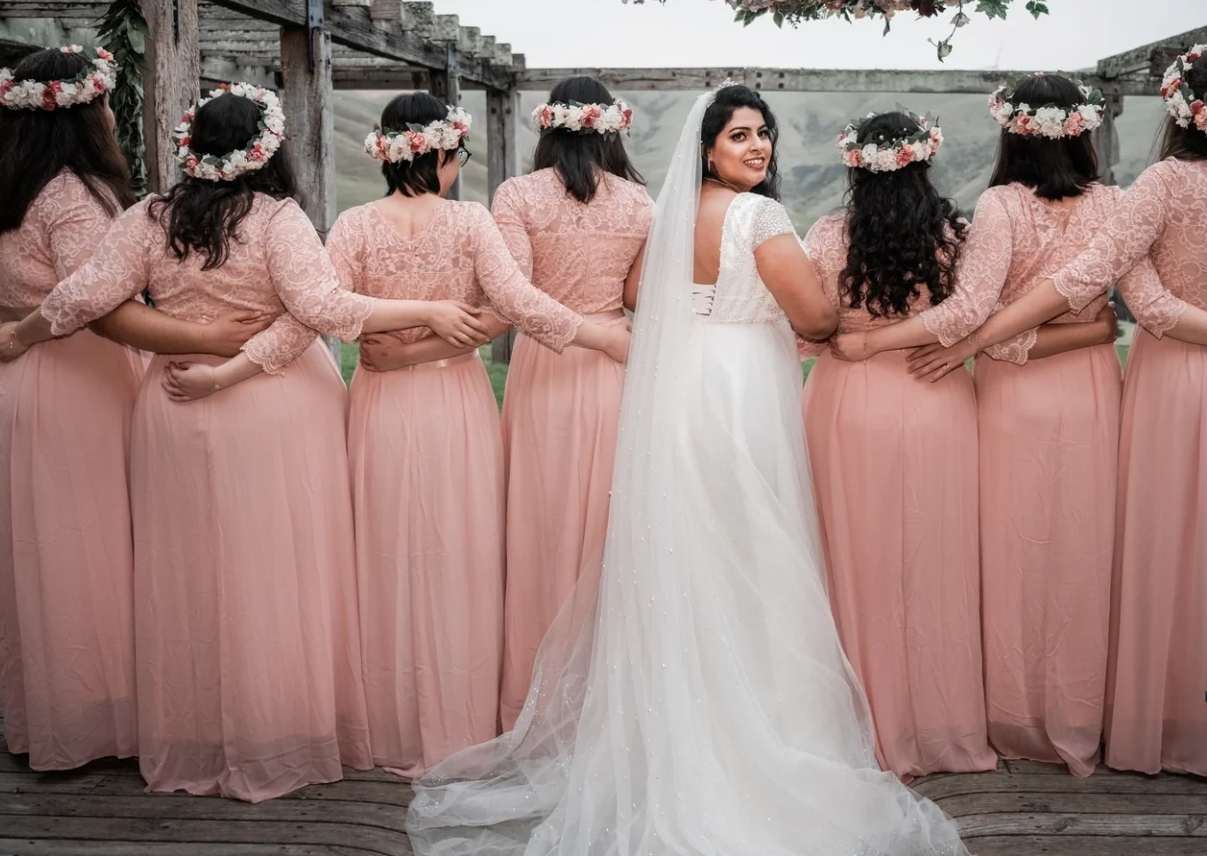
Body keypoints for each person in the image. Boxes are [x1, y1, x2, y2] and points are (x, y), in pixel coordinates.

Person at [405, 84, 971, 856]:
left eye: (763, 134)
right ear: (707, 147)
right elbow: (815, 317)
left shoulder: (674, 215)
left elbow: (639, 292)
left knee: (689, 554)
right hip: (739, 393)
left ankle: (681, 734)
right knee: (753, 556)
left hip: (682, 388)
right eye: (741, 135)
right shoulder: (761, 216)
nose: (758, 146)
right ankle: (759, 736)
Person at [0, 83, 490, 801]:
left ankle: (198, 733)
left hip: (174, 408)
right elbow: (324, 309)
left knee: (189, 572)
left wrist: (18, 334)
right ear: (268, 151)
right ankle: (282, 727)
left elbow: (81, 297)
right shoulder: (280, 219)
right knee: (281, 573)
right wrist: (430, 309)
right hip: (278, 411)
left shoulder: (147, 217)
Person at [907, 43, 1207, 777]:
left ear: (1179, 106)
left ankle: (1155, 720)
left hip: (1177, 387)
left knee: (1161, 552)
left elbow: (1136, 299)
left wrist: (978, 336)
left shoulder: (1156, 185)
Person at [0, 46, 269, 772]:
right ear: (84, 116)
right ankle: (106, 716)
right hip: (69, 374)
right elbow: (99, 307)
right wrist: (203, 336)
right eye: (103, 106)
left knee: (29, 542)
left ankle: (49, 712)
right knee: (88, 539)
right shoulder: (71, 193)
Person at [826, 80, 1130, 775]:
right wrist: (1087, 334)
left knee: (1006, 558)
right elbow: (1113, 312)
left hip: (1009, 401)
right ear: (1080, 132)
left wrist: (971, 345)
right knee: (1084, 548)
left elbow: (972, 312)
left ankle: (1010, 713)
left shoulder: (1000, 204)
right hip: (1090, 393)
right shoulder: (1115, 203)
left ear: (1012, 134)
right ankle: (1083, 711)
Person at [330, 93, 628, 774]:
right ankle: (457, 720)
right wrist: (596, 332)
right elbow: (515, 301)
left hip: (378, 399)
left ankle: (386, 720)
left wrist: (396, 329)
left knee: (379, 550)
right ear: (437, 153)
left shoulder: (352, 223)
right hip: (453, 397)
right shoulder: (468, 221)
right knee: (458, 549)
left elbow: (332, 307)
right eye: (457, 155)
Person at [799, 110, 997, 777]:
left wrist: (846, 340)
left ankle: (856, 724)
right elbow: (970, 313)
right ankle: (935, 721)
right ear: (924, 162)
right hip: (935, 397)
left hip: (847, 406)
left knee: (853, 560)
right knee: (932, 563)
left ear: (855, 168)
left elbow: (803, 329)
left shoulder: (828, 236)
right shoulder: (954, 234)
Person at [493, 76, 653, 729]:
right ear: (610, 128)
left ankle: (533, 698)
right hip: (619, 364)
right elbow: (643, 295)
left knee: (542, 526)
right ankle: (608, 699)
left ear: (547, 126)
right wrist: (604, 329)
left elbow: (514, 296)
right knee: (609, 528)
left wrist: (575, 328)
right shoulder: (642, 202)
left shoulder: (516, 195)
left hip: (544, 368)